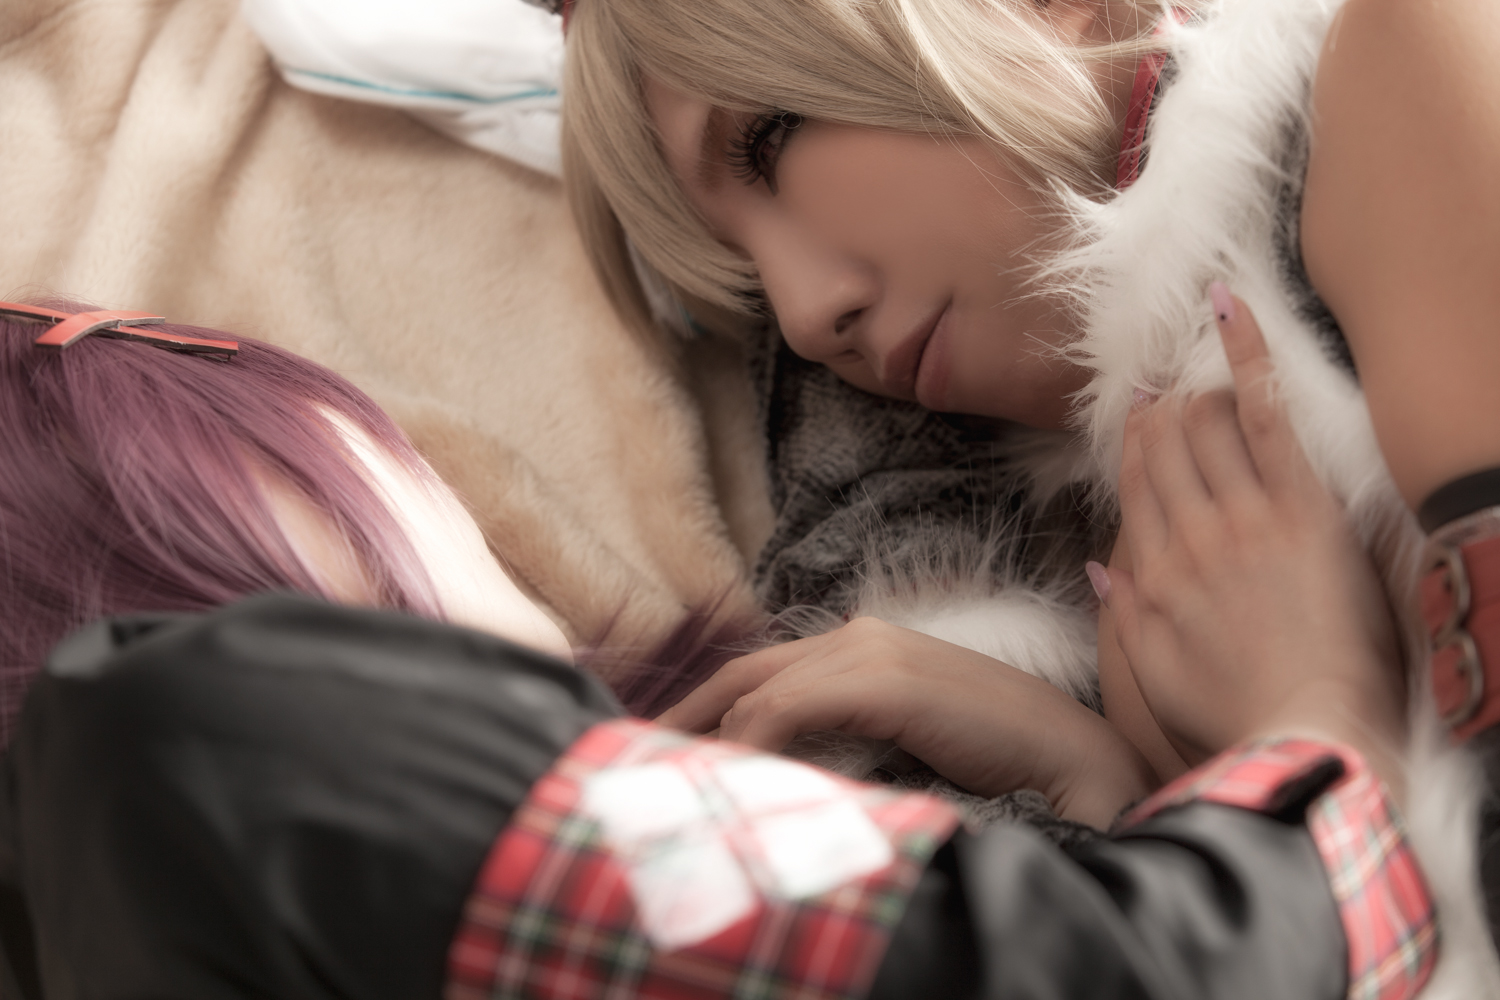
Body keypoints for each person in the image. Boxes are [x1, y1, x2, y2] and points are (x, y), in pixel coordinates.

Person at [0, 298, 1431, 999]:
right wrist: (1324, 719)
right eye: (379, 456)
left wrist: (1089, 787)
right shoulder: (181, 749)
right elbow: (1162, 975)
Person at [555, 0, 1500, 975]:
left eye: (771, 134)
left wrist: (1321, 723)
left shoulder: (1403, 52)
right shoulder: (1148, 594)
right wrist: (1094, 780)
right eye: (747, 278)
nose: (801, 318)